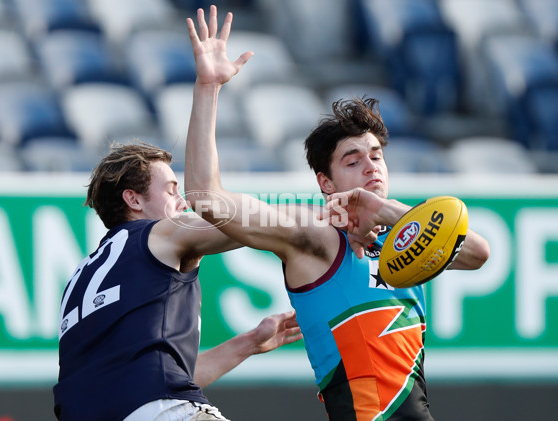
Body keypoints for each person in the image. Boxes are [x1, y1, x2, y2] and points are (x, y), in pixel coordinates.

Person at [184, 6, 490, 421]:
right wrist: (208, 87)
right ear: (325, 182)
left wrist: (386, 210)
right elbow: (207, 197)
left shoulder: (406, 236)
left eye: (377, 156)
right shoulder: (313, 232)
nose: (371, 166)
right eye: (352, 160)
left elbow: (478, 253)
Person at [52, 142, 303, 421]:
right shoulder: (157, 235)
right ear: (133, 200)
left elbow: (156, 376)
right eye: (171, 190)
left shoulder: (78, 278)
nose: (182, 201)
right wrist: (330, 216)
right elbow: (246, 224)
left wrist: (250, 342)